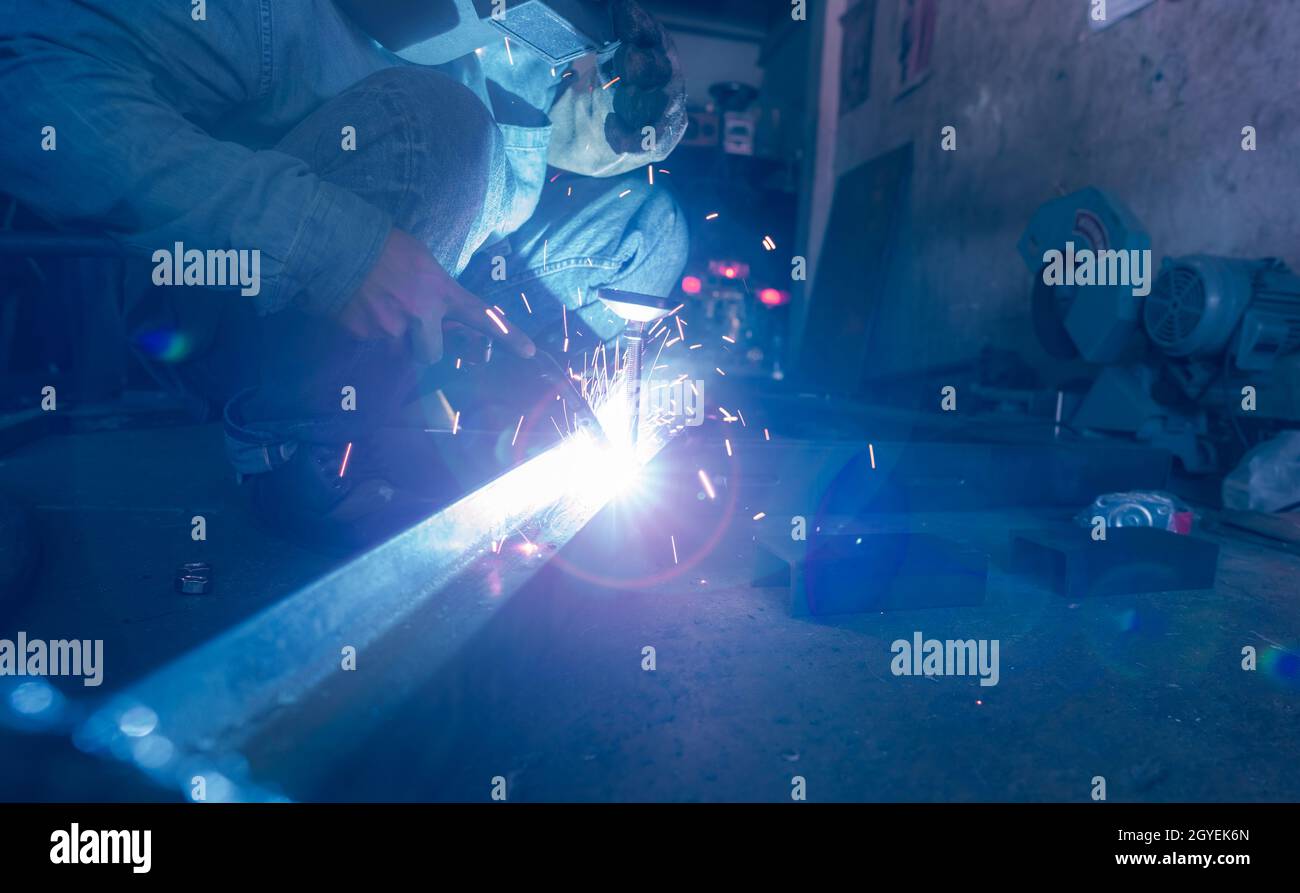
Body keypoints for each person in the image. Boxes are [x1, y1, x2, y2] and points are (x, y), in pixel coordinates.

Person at [0, 0, 690, 546]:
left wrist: (630, 115)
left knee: (645, 225)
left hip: (444, 274)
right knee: (439, 124)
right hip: (251, 305)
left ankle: (518, 430)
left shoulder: (496, 31)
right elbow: (29, 80)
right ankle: (297, 453)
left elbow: (561, 128)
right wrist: (333, 245)